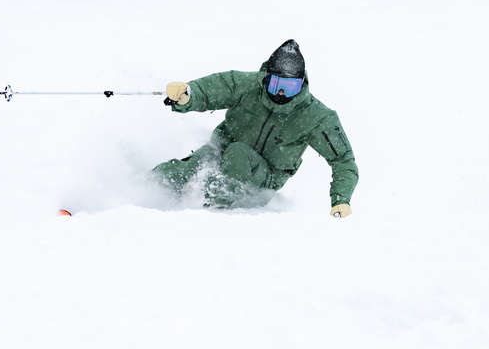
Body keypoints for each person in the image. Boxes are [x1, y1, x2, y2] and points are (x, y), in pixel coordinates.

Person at [151, 40, 358, 217]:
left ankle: (209, 213)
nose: (282, 93)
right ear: (265, 78)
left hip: (263, 178)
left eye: (291, 86)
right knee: (181, 171)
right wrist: (188, 94)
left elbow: (343, 161)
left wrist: (341, 199)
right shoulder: (247, 86)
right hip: (221, 151)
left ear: (302, 84)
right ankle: (139, 191)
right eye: (276, 84)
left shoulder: (315, 116)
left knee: (238, 153)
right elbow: (210, 89)